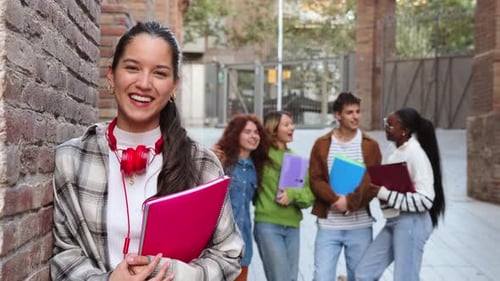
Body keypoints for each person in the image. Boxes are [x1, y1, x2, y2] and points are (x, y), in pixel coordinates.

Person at [50, 21, 244, 281]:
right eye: (132, 68)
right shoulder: (72, 159)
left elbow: (229, 256)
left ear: (174, 85)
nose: (144, 83)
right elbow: (64, 255)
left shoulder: (202, 163)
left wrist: (176, 274)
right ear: (111, 74)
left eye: (159, 73)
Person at [355, 107, 446, 281]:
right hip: (394, 220)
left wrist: (384, 193)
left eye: (390, 125)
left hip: (412, 222)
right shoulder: (395, 151)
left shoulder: (416, 154)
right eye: (385, 123)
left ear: (404, 131)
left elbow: (426, 200)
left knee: (406, 278)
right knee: (364, 273)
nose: (385, 127)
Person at [309, 92, 382, 281]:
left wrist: (349, 202)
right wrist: (335, 200)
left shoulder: (370, 146)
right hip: (328, 225)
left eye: (358, 111)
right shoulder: (322, 144)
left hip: (360, 226)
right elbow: (315, 179)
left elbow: (372, 183)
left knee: (360, 277)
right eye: (350, 112)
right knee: (321, 276)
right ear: (337, 115)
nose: (355, 116)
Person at [253, 110, 315, 281]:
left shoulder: (296, 159)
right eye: (286, 124)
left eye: (292, 124)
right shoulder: (260, 156)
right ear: (273, 129)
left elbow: (309, 196)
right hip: (268, 225)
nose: (292, 128)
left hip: (293, 226)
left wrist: (293, 194)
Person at [212, 114, 271, 281]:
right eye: (248, 132)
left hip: (243, 242)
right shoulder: (222, 161)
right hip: (219, 244)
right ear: (236, 134)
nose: (254, 136)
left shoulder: (256, 167)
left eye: (256, 132)